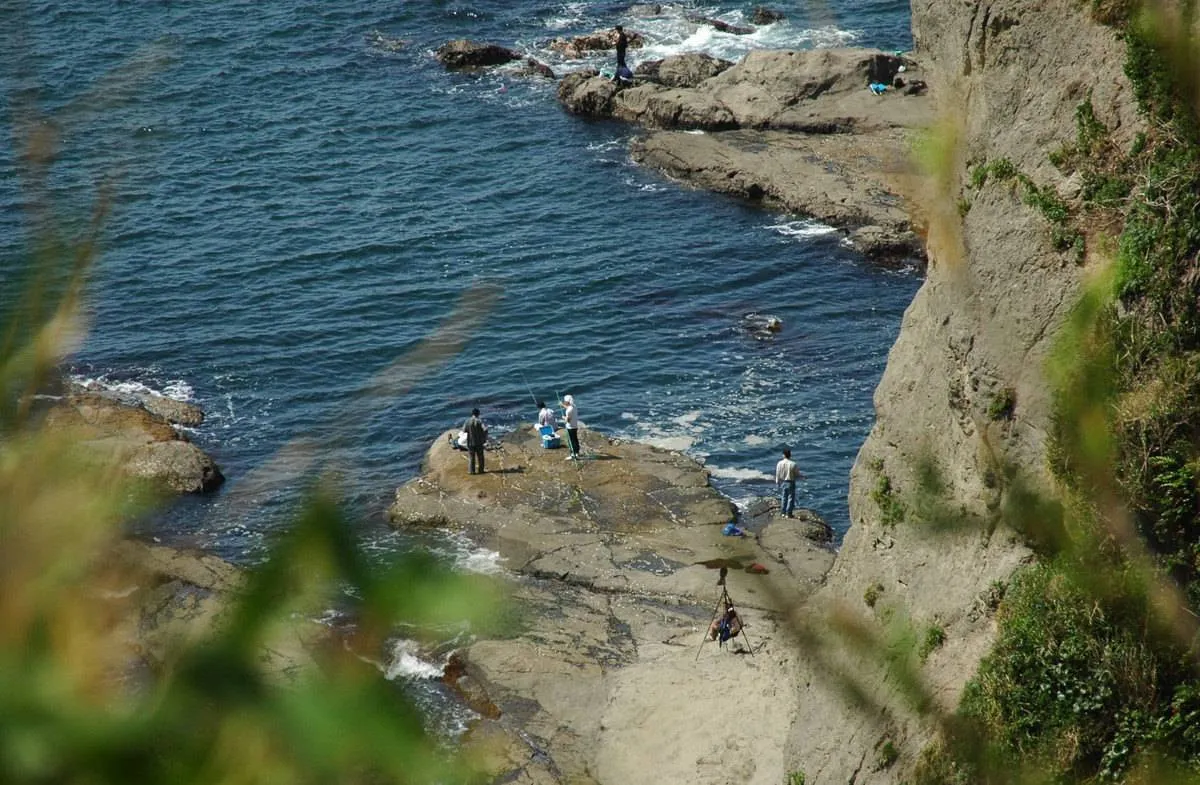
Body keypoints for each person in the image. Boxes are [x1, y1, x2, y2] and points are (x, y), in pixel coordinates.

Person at [775, 448, 805, 517]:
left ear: (783, 455)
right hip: (790, 482)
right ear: (790, 455)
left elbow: (777, 473)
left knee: (783, 497)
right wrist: (803, 477)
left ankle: (783, 512)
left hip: (783, 482)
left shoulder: (779, 463)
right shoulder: (793, 464)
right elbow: (797, 474)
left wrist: (777, 482)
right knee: (790, 498)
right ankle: (789, 513)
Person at [464, 407, 488, 475]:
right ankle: (481, 470)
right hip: (479, 442)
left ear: (472, 414)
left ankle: (471, 471)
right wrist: (484, 437)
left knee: (471, 457)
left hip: (470, 442)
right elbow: (485, 429)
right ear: (478, 414)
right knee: (480, 457)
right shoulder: (479, 421)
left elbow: (464, 430)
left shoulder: (467, 421)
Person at [561, 394, 580, 460]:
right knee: (575, 440)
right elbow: (568, 408)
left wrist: (564, 418)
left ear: (567, 401)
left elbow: (568, 421)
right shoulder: (574, 406)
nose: (564, 402)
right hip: (575, 426)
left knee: (571, 441)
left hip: (570, 427)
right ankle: (577, 453)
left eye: (564, 401)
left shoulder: (569, 410)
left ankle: (573, 455)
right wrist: (562, 405)